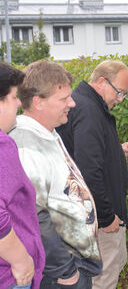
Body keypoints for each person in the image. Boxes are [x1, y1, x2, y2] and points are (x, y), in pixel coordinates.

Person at [9, 61, 102, 289]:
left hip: (73, 266)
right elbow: (33, 213)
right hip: (60, 275)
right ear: (38, 102)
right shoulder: (25, 144)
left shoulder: (49, 133)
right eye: (63, 99)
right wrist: (64, 271)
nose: (72, 103)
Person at [57, 60, 128, 289]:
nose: (120, 100)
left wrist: (116, 150)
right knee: (103, 280)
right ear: (102, 82)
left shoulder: (85, 104)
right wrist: (105, 216)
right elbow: (88, 170)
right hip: (99, 220)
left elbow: (85, 153)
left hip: (93, 216)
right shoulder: (90, 111)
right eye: (119, 92)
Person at [0, 62, 45, 289]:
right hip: (9, 276)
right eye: (14, 96)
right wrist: (21, 260)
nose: (19, 103)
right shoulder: (2, 146)